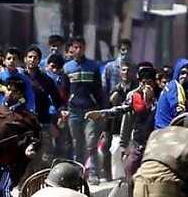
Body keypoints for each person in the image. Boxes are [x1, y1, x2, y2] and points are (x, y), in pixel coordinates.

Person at [86, 64, 159, 197]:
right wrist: (101, 114)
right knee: (130, 173)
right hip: (139, 143)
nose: (146, 86)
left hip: (157, 144)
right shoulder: (134, 97)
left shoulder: (162, 97)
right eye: (143, 82)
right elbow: (121, 111)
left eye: (149, 82)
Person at [63, 36, 105, 184]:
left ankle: (93, 173)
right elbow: (64, 91)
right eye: (76, 47)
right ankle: (77, 173)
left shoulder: (93, 66)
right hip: (73, 111)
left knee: (91, 142)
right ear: (72, 49)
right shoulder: (67, 68)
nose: (78, 50)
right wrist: (63, 108)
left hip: (90, 110)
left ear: (85, 48)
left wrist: (102, 110)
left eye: (81, 47)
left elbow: (99, 90)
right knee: (76, 144)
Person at [23, 45, 64, 172]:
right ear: (25, 59)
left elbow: (57, 100)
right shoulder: (19, 77)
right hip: (23, 123)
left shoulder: (46, 80)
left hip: (43, 122)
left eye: (35, 58)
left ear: (39, 60)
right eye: (30, 57)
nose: (32, 60)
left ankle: (44, 181)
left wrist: (62, 111)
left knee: (46, 156)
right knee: (24, 156)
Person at [99, 39, 136, 181]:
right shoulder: (110, 68)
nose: (125, 52)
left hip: (130, 120)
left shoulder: (135, 85)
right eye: (122, 49)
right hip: (113, 118)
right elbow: (104, 91)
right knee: (111, 148)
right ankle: (111, 176)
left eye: (127, 49)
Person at [0, 47, 37, 113]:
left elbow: (29, 97)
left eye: (14, 59)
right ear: (4, 61)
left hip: (18, 114)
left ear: (19, 62)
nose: (11, 61)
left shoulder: (24, 79)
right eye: (9, 58)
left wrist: (29, 110)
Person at [45, 54, 73, 160]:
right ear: (47, 65)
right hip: (46, 116)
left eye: (58, 68)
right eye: (52, 67)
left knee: (62, 145)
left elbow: (66, 98)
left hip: (61, 115)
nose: (55, 70)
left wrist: (62, 113)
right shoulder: (42, 79)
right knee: (46, 146)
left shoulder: (64, 80)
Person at [154, 59, 188, 129]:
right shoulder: (175, 86)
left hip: (163, 130)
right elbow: (179, 112)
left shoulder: (177, 87)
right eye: (183, 73)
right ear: (177, 73)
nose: (185, 76)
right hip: (166, 130)